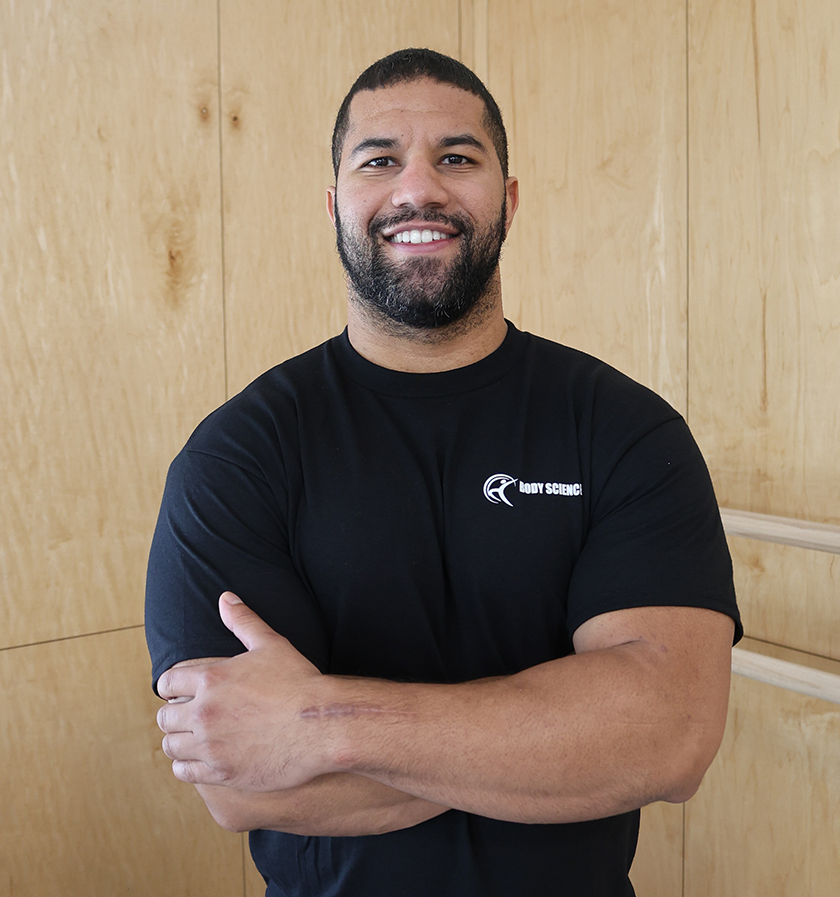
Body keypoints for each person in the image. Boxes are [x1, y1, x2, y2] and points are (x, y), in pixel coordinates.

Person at [146, 48, 741, 896]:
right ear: (334, 206)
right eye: (379, 159)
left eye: (457, 158)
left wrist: (317, 723)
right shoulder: (238, 455)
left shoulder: (625, 431)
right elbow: (236, 783)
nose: (417, 190)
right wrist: (558, 744)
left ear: (509, 199)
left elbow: (669, 738)